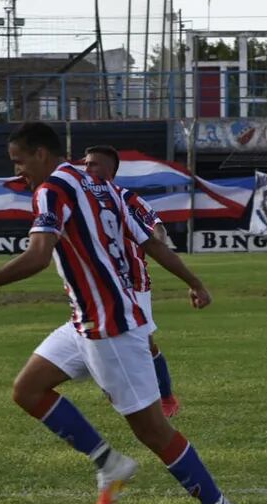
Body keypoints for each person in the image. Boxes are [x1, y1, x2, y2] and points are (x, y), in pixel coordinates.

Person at [0, 122, 247, 504]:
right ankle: (111, 464)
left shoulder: (52, 190)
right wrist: (194, 281)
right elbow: (151, 243)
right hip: (86, 320)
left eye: (19, 161)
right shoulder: (99, 185)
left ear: (40, 154)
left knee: (154, 433)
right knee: (28, 390)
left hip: (110, 327)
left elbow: (37, 257)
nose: (18, 172)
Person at [83, 145, 181, 418]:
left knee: (144, 342)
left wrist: (158, 247)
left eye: (94, 164)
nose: (87, 169)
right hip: (100, 283)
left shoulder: (127, 198)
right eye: (86, 164)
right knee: (99, 339)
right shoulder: (80, 201)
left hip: (134, 282)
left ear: (111, 170)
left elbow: (156, 225)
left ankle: (166, 397)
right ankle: (121, 392)